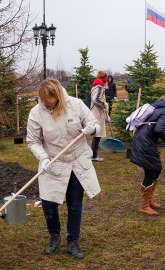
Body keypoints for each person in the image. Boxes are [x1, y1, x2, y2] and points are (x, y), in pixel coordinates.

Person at [26, 78, 101, 259]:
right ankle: (54, 236)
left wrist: (91, 129)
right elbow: (33, 141)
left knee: (75, 204)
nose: (44, 103)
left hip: (77, 160)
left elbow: (95, 124)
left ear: (57, 96)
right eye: (41, 99)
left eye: (48, 99)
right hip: (53, 162)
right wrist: (43, 158)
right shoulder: (36, 113)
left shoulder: (75, 105)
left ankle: (73, 241)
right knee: (48, 203)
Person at [130, 92, 165, 216]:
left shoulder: (162, 107)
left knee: (156, 169)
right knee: (151, 170)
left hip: (144, 140)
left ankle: (149, 200)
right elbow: (158, 129)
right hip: (144, 142)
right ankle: (144, 206)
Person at [89, 70, 109, 161]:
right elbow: (96, 100)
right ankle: (94, 155)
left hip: (96, 112)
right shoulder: (99, 87)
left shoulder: (95, 86)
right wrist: (104, 104)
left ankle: (93, 154)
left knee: (96, 134)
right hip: (97, 113)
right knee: (97, 135)